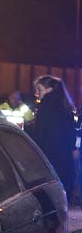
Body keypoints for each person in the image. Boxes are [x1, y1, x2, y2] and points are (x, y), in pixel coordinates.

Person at [32, 75, 77, 204]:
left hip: (48, 156)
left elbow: (40, 134)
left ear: (49, 90)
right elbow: (71, 133)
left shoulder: (45, 106)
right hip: (64, 157)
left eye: (39, 90)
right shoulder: (66, 106)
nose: (36, 94)